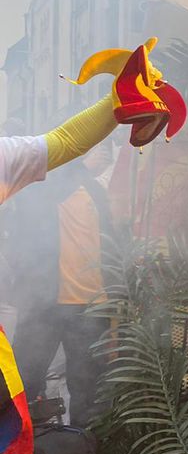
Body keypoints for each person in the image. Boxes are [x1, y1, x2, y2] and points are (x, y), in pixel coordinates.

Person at [0, 93, 119, 454]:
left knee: (9, 448)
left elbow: (64, 141)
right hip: (43, 304)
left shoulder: (11, 159)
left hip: (70, 310)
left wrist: (121, 100)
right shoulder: (36, 197)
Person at [8, 145, 113, 428]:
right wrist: (81, 169)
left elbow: (110, 245)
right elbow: (34, 212)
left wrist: (114, 295)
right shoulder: (43, 186)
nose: (106, 152)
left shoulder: (96, 191)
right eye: (97, 147)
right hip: (44, 304)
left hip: (90, 307)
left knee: (88, 391)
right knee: (24, 383)